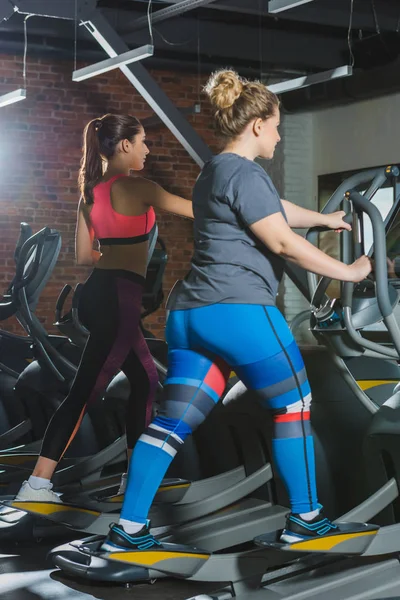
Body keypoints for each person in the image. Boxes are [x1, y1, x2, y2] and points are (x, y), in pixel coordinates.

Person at [101, 70, 372, 552]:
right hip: (238, 310)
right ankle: (307, 518)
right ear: (256, 127)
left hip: (190, 316)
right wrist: (351, 273)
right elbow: (281, 240)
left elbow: (276, 210)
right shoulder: (246, 173)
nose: (279, 134)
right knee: (295, 405)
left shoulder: (216, 171)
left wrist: (326, 219)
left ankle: (129, 529)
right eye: (276, 126)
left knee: (171, 423)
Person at [15, 113, 193, 502]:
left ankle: (137, 478)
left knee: (146, 380)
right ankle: (37, 485)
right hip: (119, 297)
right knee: (84, 392)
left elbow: (84, 255)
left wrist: (114, 250)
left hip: (98, 293)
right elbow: (195, 210)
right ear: (125, 145)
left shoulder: (90, 192)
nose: (148, 149)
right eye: (143, 141)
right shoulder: (139, 187)